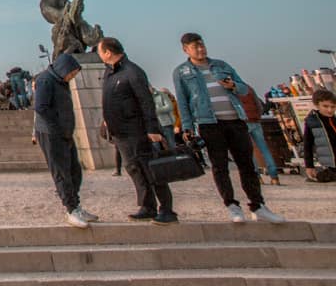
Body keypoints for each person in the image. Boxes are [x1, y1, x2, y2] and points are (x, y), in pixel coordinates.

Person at [173, 32, 284, 223]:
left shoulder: (221, 66)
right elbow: (182, 100)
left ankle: (258, 206)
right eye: (194, 46)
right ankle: (232, 206)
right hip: (209, 123)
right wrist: (187, 127)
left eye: (201, 45)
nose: (200, 49)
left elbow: (243, 88)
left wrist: (233, 85)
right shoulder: (182, 72)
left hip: (235, 119)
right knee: (219, 166)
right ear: (186, 50)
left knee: (247, 164)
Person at [97, 37, 176, 225]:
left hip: (137, 130)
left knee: (151, 170)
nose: (99, 55)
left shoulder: (132, 71)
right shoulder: (110, 73)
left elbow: (146, 101)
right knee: (134, 169)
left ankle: (167, 209)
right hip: (120, 132)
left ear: (108, 52)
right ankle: (147, 206)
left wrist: (152, 128)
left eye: (100, 52)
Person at [33, 52, 97, 228]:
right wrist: (56, 129)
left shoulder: (61, 81)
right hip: (52, 134)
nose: (73, 77)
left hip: (64, 133)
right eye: (72, 73)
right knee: (62, 173)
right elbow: (40, 108)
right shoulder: (45, 80)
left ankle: (76, 206)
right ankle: (71, 210)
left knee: (74, 172)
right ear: (63, 68)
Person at [236, 85, 279, 185]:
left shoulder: (231, 89)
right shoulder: (249, 88)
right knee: (264, 148)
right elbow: (259, 104)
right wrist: (258, 116)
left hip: (243, 121)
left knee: (249, 150)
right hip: (255, 121)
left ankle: (257, 176)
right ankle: (274, 177)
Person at [303, 88, 336, 182]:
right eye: (325, 106)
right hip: (329, 164)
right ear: (317, 105)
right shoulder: (312, 122)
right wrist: (309, 166)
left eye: (333, 107)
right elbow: (307, 145)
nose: (329, 110)